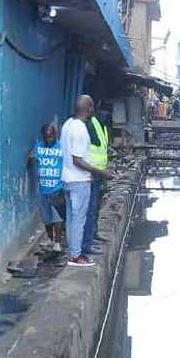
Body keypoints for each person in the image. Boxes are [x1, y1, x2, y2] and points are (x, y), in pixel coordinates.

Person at [60, 95, 109, 267]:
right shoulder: (80, 129)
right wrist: (101, 172)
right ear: (88, 108)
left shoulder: (67, 125)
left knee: (72, 219)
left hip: (67, 179)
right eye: (92, 105)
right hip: (79, 180)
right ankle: (75, 256)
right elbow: (77, 160)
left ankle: (72, 252)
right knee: (79, 219)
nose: (93, 109)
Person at [28, 123, 65, 252]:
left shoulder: (62, 147)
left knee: (57, 217)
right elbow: (32, 162)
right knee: (47, 218)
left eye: (51, 136)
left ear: (55, 135)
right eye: (46, 137)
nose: (48, 139)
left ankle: (58, 242)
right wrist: (31, 158)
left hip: (57, 188)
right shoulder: (39, 146)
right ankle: (50, 239)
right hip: (43, 189)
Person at [81, 105, 111, 257]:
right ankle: (86, 244)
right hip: (91, 174)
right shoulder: (90, 125)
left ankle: (93, 234)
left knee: (97, 206)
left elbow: (103, 148)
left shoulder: (102, 126)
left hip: (99, 174)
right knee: (90, 209)